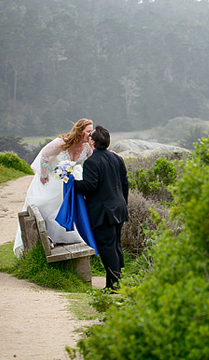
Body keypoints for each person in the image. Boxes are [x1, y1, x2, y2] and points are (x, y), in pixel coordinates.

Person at [13, 118, 95, 257]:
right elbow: (44, 156)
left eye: (91, 131)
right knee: (46, 206)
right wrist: (44, 174)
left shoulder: (87, 147)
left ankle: (69, 238)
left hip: (73, 180)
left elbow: (94, 159)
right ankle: (44, 240)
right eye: (88, 131)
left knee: (72, 206)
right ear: (80, 131)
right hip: (54, 179)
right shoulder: (62, 143)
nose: (90, 134)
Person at [73, 125, 129, 291]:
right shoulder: (117, 159)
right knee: (116, 246)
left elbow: (90, 186)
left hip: (103, 213)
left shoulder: (92, 162)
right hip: (119, 208)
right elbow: (125, 184)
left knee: (107, 248)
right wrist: (123, 203)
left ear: (93, 143)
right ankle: (120, 282)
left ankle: (113, 286)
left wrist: (71, 183)